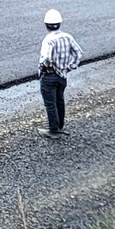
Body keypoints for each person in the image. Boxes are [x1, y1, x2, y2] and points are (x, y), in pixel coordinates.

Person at [38, 8, 83, 136]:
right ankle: (60, 125)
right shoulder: (67, 37)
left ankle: (53, 131)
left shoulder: (48, 40)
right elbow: (78, 52)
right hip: (62, 75)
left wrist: (43, 67)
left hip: (49, 75)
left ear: (46, 25)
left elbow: (45, 57)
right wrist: (71, 66)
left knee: (50, 104)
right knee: (60, 100)